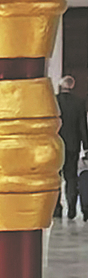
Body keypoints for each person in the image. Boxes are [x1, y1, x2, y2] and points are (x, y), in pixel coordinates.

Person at [54, 75, 88, 220]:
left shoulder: (54, 101)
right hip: (73, 146)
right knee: (71, 177)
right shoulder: (79, 103)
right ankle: (72, 209)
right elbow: (82, 127)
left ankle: (56, 208)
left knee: (55, 177)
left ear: (60, 86)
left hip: (55, 145)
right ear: (72, 86)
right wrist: (86, 146)